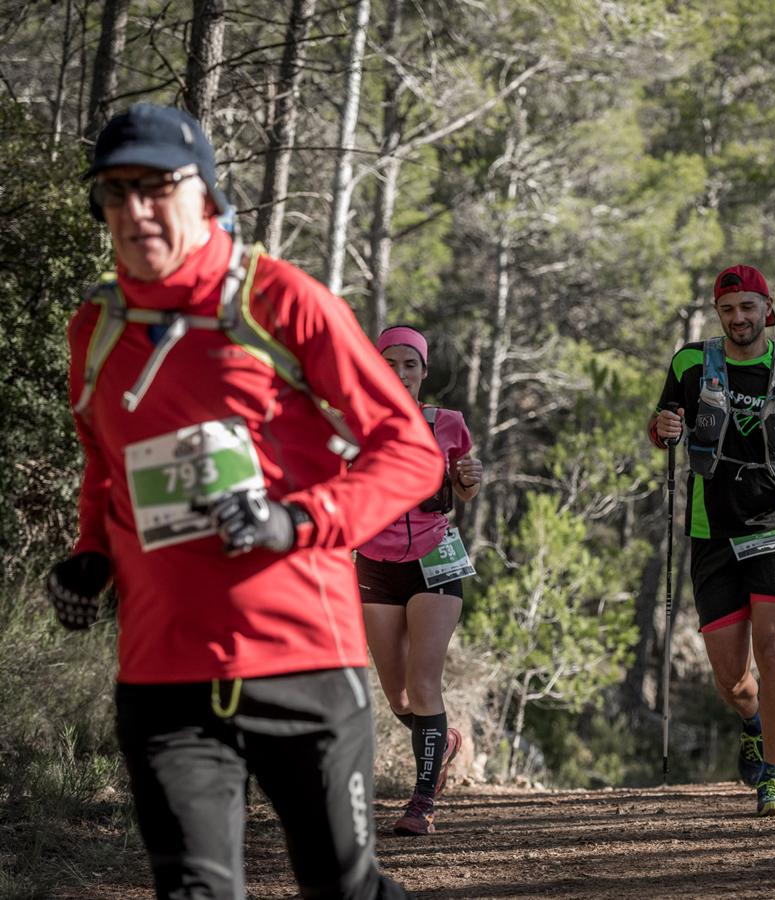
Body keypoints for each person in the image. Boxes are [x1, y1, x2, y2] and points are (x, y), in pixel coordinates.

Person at [46, 103, 442, 898]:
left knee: (343, 886)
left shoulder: (282, 301)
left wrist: (297, 520)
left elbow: (409, 453)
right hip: (164, 670)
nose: (135, 210)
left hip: (303, 658)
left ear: (208, 195)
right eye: (115, 192)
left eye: (158, 186)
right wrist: (91, 553)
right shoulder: (94, 328)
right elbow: (104, 465)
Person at [648, 264, 775, 817]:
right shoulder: (691, 363)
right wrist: (662, 427)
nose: (738, 318)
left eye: (748, 307)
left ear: (767, 309)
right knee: (732, 679)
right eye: (728, 309)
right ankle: (751, 722)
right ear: (720, 314)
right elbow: (664, 421)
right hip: (712, 531)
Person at [355, 325, 483, 836]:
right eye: (390, 363)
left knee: (423, 683)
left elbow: (463, 490)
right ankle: (443, 743)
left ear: (424, 372)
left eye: (410, 364)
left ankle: (421, 804)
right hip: (374, 562)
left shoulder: (447, 422)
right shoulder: (355, 424)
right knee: (398, 696)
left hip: (435, 558)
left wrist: (468, 481)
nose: (400, 372)